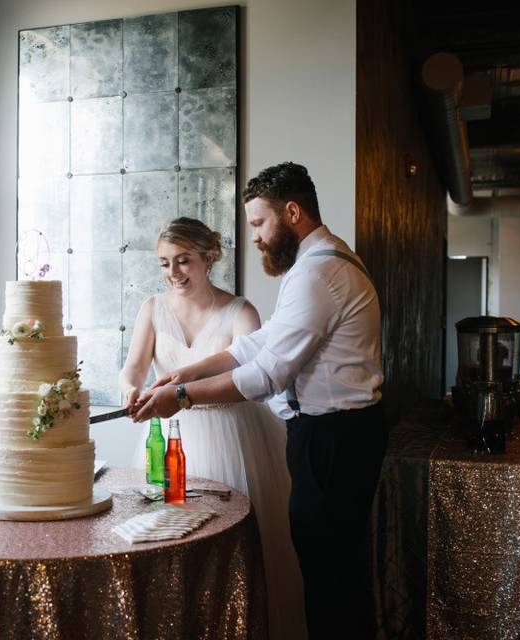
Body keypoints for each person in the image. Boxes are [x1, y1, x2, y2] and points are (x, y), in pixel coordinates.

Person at [133, 163, 386, 640]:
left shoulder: (319, 273)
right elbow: (262, 342)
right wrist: (189, 370)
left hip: (335, 438)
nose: (254, 236)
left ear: (292, 212)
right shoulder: (320, 262)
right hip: (335, 434)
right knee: (329, 570)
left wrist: (181, 396)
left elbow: (268, 373)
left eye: (258, 223)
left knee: (331, 578)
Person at [119, 216, 305, 639]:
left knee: (231, 545)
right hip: (168, 436)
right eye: (165, 263)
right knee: (169, 541)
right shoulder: (152, 309)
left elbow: (256, 377)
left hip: (232, 436)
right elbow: (133, 367)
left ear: (209, 257)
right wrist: (130, 388)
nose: (174, 273)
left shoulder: (240, 312)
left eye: (183, 261)